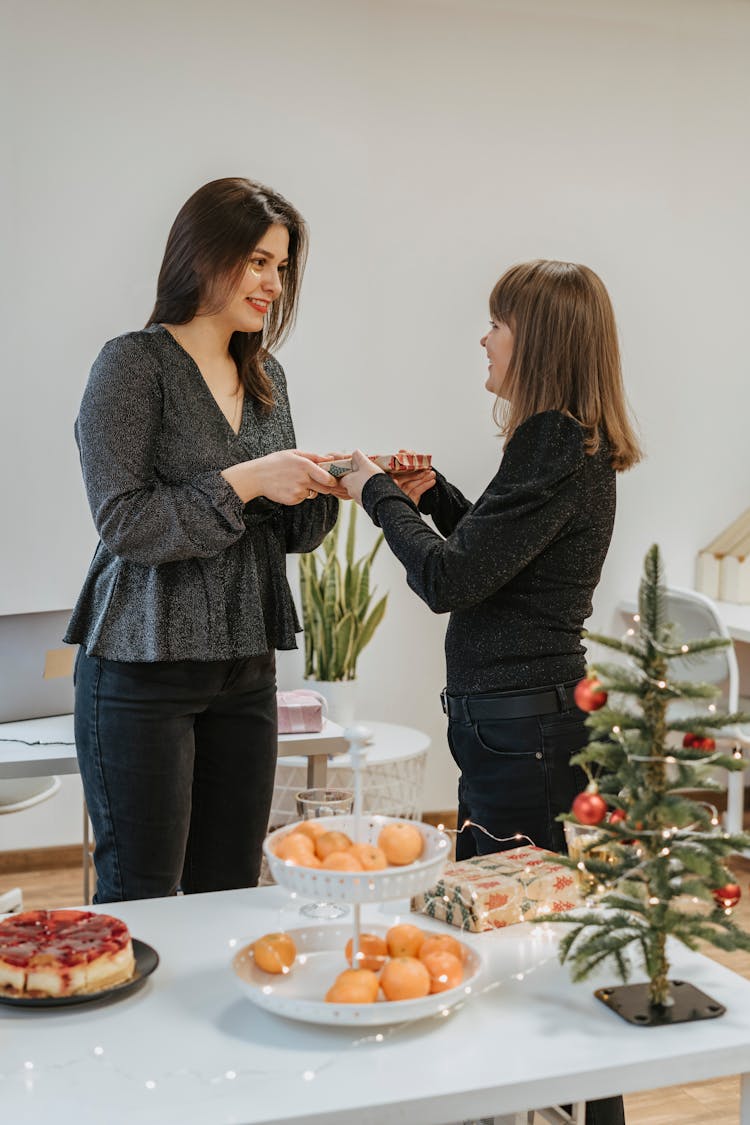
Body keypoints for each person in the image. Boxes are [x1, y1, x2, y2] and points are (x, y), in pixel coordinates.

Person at [344, 259, 639, 1125]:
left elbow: (450, 580)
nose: (485, 336)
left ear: (536, 341)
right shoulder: (559, 440)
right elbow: (499, 564)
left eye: (497, 323)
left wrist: (373, 493)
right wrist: (434, 497)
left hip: (525, 735)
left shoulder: (554, 440)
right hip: (524, 728)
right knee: (534, 941)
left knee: (522, 950)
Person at [65, 178, 340, 903]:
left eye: (280, 268)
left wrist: (325, 486)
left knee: (231, 889)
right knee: (142, 890)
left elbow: (286, 534)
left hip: (245, 668)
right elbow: (126, 520)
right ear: (202, 256)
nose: (272, 285)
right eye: (257, 262)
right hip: (141, 666)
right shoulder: (132, 365)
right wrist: (250, 478)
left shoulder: (266, 375)